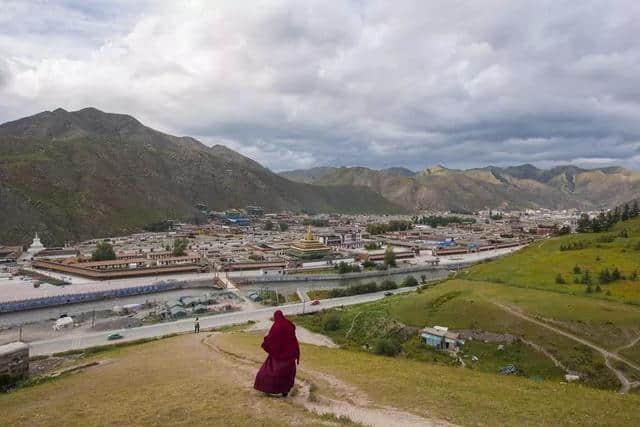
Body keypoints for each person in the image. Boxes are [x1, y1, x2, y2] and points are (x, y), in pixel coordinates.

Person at [254, 310, 300, 397]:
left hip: (278, 354)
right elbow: (292, 335)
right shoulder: (289, 324)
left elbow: (271, 338)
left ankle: (268, 389)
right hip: (290, 354)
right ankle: (285, 391)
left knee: (271, 371)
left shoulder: (276, 326)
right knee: (287, 373)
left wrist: (266, 342)